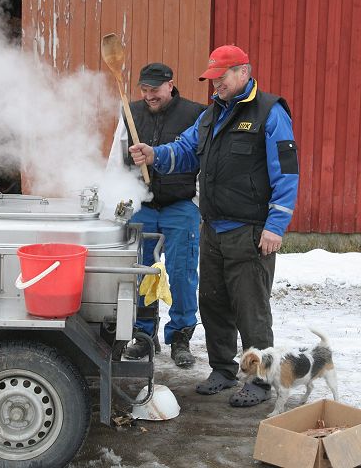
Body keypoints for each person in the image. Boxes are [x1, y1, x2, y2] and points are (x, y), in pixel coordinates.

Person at [128, 45, 299, 407]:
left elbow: (286, 172)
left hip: (251, 231)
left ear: (243, 72)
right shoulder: (210, 116)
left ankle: (260, 378)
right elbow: (187, 150)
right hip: (213, 228)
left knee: (251, 309)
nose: (215, 85)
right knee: (214, 303)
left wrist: (277, 225)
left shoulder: (269, 112)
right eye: (211, 79)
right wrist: (154, 154)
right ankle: (223, 369)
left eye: (221, 78)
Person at [108, 62, 206, 367]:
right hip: (143, 206)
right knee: (141, 271)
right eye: (145, 89)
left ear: (170, 85)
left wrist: (198, 203)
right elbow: (115, 159)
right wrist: (114, 200)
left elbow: (204, 161)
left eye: (155, 90)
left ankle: (180, 337)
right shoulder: (129, 112)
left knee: (182, 272)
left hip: (180, 205)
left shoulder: (195, 114)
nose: (149, 96)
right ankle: (143, 335)